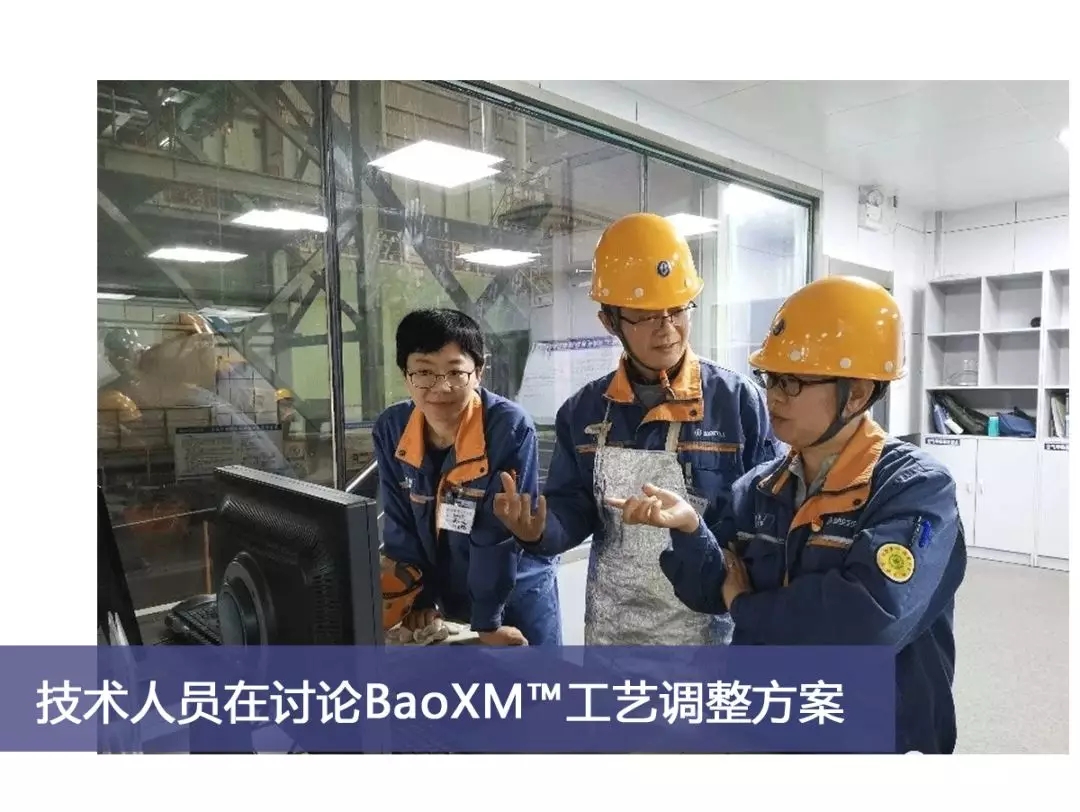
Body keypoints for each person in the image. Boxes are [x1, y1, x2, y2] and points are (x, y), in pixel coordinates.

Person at [610, 275, 968, 753]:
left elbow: (867, 623)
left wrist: (747, 606)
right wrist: (691, 531)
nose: (773, 396)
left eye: (792, 382)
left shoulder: (915, 490)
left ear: (857, 393)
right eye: (771, 378)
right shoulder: (760, 487)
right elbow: (708, 591)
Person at [495, 212, 781, 646]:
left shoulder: (738, 402)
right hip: (615, 629)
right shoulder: (584, 411)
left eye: (677, 310)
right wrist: (538, 530)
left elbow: (765, 518)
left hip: (708, 627)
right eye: (646, 316)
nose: (667, 329)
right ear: (610, 321)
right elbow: (573, 509)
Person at [372, 308, 562, 646]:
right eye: (424, 372)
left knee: (532, 678)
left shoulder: (508, 427)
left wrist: (488, 622)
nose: (441, 387)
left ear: (478, 373)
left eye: (456, 372)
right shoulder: (392, 428)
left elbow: (497, 533)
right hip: (449, 595)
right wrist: (418, 602)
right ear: (406, 376)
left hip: (516, 593)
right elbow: (400, 527)